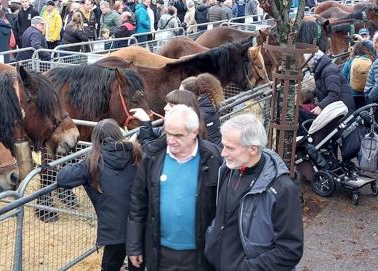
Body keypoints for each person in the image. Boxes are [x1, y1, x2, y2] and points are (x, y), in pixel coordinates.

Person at [127, 104, 222, 271]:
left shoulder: (213, 158)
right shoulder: (153, 157)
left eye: (178, 135)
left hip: (200, 255)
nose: (171, 140)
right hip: (161, 253)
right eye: (168, 133)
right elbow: (138, 204)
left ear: (194, 132)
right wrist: (134, 245)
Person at [204, 114, 304, 271]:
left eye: (230, 148)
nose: (223, 153)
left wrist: (247, 268)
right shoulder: (227, 169)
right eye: (223, 146)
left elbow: (290, 251)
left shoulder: (282, 189)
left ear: (253, 149)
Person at [57, 119, 143, 271]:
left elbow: (63, 178)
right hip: (138, 225)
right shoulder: (136, 153)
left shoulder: (92, 162)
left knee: (109, 265)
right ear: (119, 133)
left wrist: (70, 163)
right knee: (137, 266)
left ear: (96, 140)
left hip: (114, 230)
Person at [180, 74, 224, 147]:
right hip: (216, 147)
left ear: (191, 95)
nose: (179, 95)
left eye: (181, 93)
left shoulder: (197, 114)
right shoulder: (209, 104)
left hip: (211, 153)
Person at [342, 40, 376, 108]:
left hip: (354, 95)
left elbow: (343, 77)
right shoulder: (372, 60)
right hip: (368, 94)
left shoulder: (350, 61)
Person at [364, 33, 378, 103]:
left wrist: (370, 97)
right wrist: (362, 40)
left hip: (374, 98)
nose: (373, 44)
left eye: (374, 42)